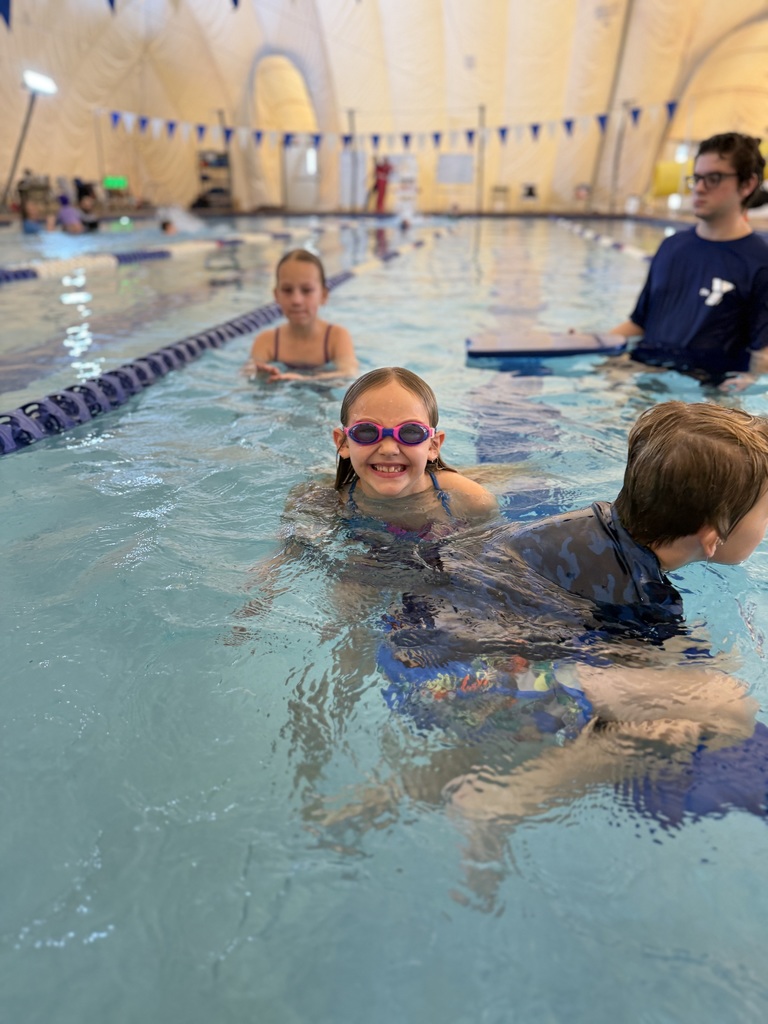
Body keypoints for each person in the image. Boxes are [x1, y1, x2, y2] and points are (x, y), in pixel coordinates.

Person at [607, 132, 768, 390]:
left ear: (747, 184)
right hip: (643, 377)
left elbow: (763, 353)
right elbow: (639, 323)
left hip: (703, 394)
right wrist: (594, 340)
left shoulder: (760, 261)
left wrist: (748, 386)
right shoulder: (671, 247)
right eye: (697, 177)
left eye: (714, 178)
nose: (700, 187)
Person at [242, 249, 358, 383]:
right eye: (287, 290)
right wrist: (257, 375)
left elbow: (349, 373)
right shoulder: (266, 341)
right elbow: (247, 374)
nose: (296, 300)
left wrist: (306, 379)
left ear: (324, 295)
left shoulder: (336, 337)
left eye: (306, 290)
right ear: (276, 296)